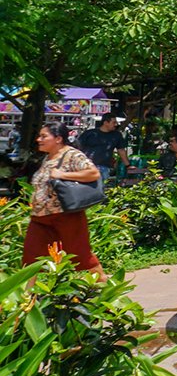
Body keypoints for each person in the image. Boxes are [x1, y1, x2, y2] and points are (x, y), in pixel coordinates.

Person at [25, 123, 103, 277]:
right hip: (40, 217)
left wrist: (63, 175)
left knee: (81, 256)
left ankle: (105, 288)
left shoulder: (72, 155)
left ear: (58, 138)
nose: (38, 139)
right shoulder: (47, 157)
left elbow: (93, 174)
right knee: (31, 258)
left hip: (65, 216)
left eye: (43, 136)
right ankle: (27, 298)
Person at [77, 114, 128, 190]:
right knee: (86, 189)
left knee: (100, 190)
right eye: (114, 122)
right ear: (106, 123)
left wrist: (128, 165)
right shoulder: (89, 133)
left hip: (104, 167)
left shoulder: (117, 135)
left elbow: (121, 150)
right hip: (87, 166)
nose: (116, 125)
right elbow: (78, 148)